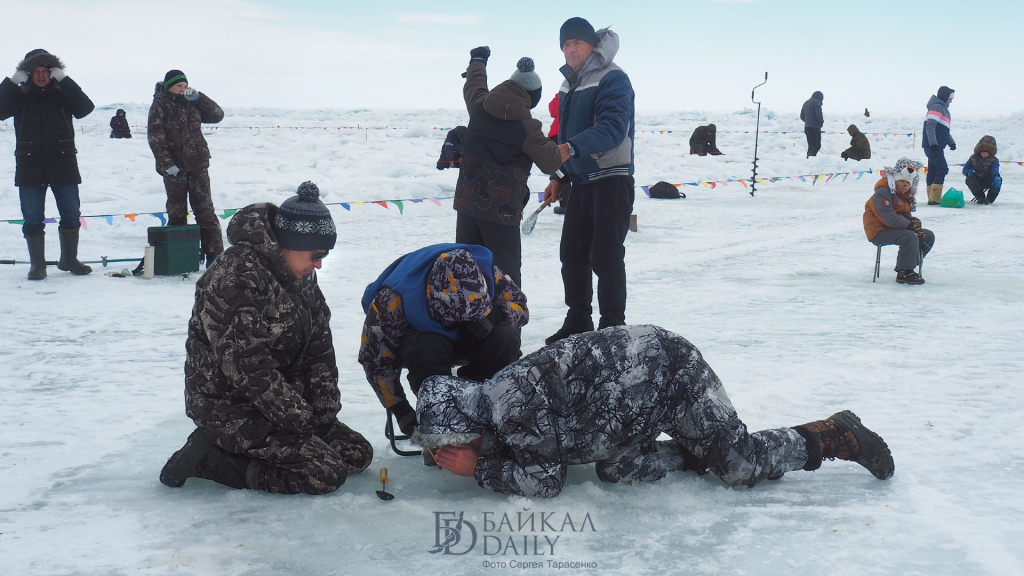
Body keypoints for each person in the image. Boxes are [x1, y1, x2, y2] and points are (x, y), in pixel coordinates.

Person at [415, 325, 895, 498]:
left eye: (451, 442)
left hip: (669, 375)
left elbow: (544, 482)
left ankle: (832, 434)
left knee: (738, 464)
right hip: (625, 409)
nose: (452, 451)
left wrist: (479, 469)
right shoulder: (492, 408)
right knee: (620, 470)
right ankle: (696, 450)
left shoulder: (510, 403)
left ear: (464, 421)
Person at [160, 182, 372, 494]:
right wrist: (299, 419)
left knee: (356, 454)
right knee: (323, 474)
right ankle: (207, 457)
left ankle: (252, 446)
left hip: (281, 403)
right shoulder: (235, 278)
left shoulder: (299, 274)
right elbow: (248, 369)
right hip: (230, 406)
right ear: (290, 242)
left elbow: (319, 347)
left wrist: (323, 416)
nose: (319, 264)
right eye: (316, 254)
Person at [359, 244, 528, 440]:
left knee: (505, 337)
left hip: (478, 337)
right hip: (423, 340)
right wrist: (401, 411)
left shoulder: (490, 273)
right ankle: (437, 418)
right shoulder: (393, 298)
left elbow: (521, 307)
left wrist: (495, 315)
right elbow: (374, 359)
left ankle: (481, 406)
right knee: (427, 348)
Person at [543, 17, 636, 345]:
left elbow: (613, 129)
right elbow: (567, 138)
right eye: (565, 45)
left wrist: (570, 149)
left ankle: (613, 328)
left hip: (611, 178)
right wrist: (560, 176)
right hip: (582, 180)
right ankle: (578, 320)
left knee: (606, 255)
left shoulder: (613, 78)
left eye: (576, 43)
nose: (570, 50)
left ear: (592, 45)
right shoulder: (569, 84)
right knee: (572, 253)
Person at [454, 49, 565, 288]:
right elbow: (550, 162)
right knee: (506, 281)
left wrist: (478, 61)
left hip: (467, 208)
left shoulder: (479, 105)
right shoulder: (527, 126)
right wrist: (564, 149)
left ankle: (466, 324)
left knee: (465, 275)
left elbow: (475, 83)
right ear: (532, 98)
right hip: (501, 215)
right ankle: (506, 325)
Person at [0, 48, 94, 280]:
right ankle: (37, 264)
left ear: (53, 73)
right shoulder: (19, 96)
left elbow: (85, 108)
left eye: (46, 71)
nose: (41, 76)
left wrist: (65, 80)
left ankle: (69, 259)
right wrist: (11, 84)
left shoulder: (63, 94)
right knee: (32, 217)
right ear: (27, 73)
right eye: (35, 71)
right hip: (30, 163)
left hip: (63, 162)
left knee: (71, 214)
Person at [148, 69, 225, 266]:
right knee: (177, 212)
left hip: (197, 165)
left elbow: (217, 115)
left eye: (185, 85)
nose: (183, 89)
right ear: (169, 87)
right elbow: (156, 138)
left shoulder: (193, 103)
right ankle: (180, 253)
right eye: (178, 86)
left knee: (205, 210)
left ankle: (214, 255)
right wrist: (167, 164)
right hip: (174, 169)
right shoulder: (159, 105)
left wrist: (200, 98)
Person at [863, 158, 934, 285]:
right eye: (901, 181)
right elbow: (888, 217)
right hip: (879, 230)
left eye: (908, 183)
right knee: (910, 236)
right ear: (894, 180)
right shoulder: (883, 192)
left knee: (927, 236)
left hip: (894, 229)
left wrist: (914, 221)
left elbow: (905, 216)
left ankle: (905, 266)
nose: (904, 185)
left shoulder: (905, 196)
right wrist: (910, 225)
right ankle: (905, 272)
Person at [922, 86, 956, 205]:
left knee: (934, 169)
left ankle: (932, 198)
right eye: (950, 98)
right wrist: (933, 143)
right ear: (944, 96)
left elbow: (944, 130)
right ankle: (935, 198)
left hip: (938, 145)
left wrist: (951, 142)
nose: (951, 101)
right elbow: (930, 126)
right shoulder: (936, 107)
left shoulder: (944, 110)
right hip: (933, 145)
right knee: (942, 168)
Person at [962, 135, 1001, 205]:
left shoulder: (994, 160)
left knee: (998, 181)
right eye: (983, 152)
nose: (984, 154)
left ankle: (989, 199)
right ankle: (980, 197)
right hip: (976, 179)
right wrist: (968, 172)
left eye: (987, 153)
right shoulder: (973, 157)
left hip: (988, 179)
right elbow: (965, 169)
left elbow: (995, 169)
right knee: (970, 179)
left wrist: (996, 176)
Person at [800, 91, 824, 158]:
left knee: (811, 145)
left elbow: (802, 116)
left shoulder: (806, 102)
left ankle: (809, 159)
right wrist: (820, 123)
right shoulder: (816, 103)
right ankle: (812, 159)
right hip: (815, 127)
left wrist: (808, 121)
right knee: (816, 145)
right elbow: (819, 114)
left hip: (807, 127)